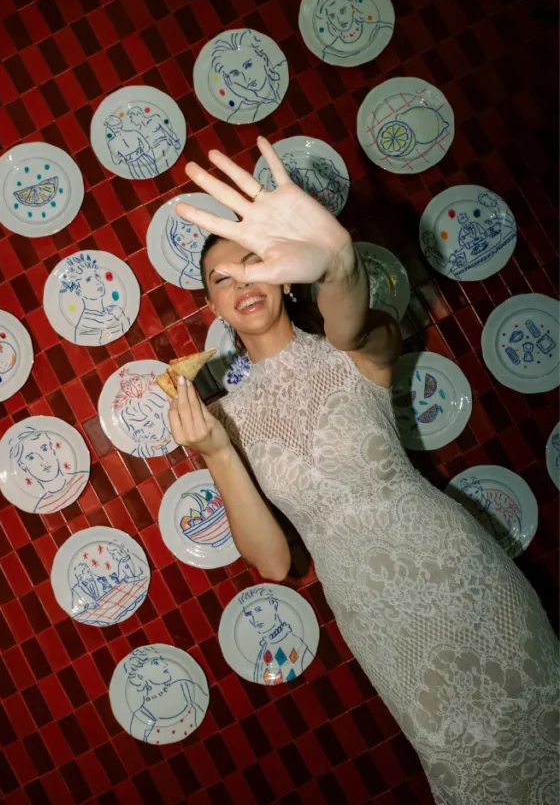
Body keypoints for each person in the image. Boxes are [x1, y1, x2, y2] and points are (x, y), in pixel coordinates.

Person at [166, 136, 559, 805]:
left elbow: (357, 327)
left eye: (252, 264)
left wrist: (341, 262)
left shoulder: (348, 345)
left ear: (285, 271)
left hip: (457, 569)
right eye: (221, 282)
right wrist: (218, 454)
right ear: (213, 307)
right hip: (376, 614)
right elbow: (272, 564)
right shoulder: (222, 414)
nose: (240, 286)